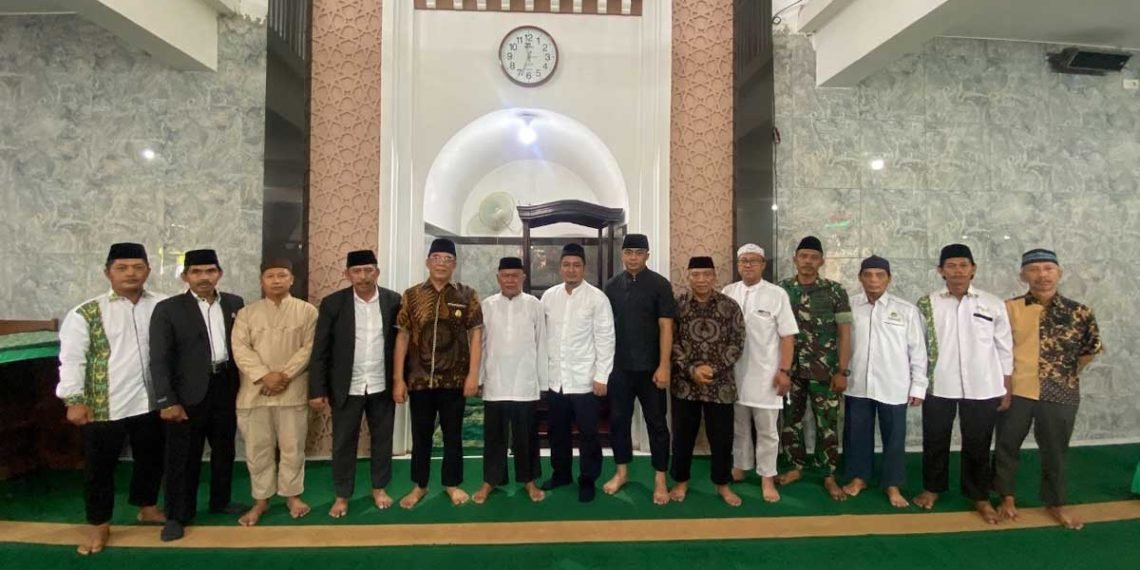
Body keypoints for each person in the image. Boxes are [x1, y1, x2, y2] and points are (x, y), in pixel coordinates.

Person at [57, 243, 167, 554]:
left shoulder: (162, 305)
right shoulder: (86, 313)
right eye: (122, 267)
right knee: (99, 468)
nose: (131, 273)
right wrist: (73, 399)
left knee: (151, 459)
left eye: (137, 267)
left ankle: (147, 508)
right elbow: (72, 358)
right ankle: (98, 525)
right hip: (105, 404)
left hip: (150, 402)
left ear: (148, 270)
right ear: (108, 272)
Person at [994, 249, 1102, 529]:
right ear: (1023, 275)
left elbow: (1090, 350)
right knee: (1007, 445)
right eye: (1034, 269)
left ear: (1059, 273)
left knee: (1055, 449)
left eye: (1048, 268)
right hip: (1017, 390)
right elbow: (996, 348)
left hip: (1061, 391)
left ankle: (1056, 502)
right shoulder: (1008, 309)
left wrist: (1064, 374)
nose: (1042, 275)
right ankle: (1006, 497)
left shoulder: (1079, 312)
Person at [913, 244, 1013, 524]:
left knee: (978, 443)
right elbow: (918, 348)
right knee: (934, 440)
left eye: (963, 265)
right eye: (951, 266)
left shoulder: (992, 303)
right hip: (939, 385)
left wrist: (1007, 385)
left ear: (973, 269)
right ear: (940, 271)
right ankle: (932, 488)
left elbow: (1005, 347)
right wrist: (918, 385)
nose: (957, 271)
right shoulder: (927, 304)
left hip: (984, 386)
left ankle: (979, 496)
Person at [151, 249, 246, 541]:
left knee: (224, 449)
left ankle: (221, 500)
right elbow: (159, 358)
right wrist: (167, 400)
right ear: (185, 276)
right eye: (196, 272)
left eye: (210, 271)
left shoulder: (234, 303)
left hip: (225, 387)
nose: (204, 277)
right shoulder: (168, 309)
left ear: (219, 273)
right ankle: (177, 515)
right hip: (187, 393)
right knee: (182, 457)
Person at [309, 249, 402, 517]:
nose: (363, 276)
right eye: (357, 271)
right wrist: (318, 389)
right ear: (347, 274)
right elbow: (321, 350)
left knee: (383, 440)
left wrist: (400, 381)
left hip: (381, 384)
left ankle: (379, 488)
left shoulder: (393, 301)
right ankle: (342, 495)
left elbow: (401, 346)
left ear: (377, 272)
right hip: (346, 386)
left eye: (368, 270)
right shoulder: (333, 304)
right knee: (343, 443)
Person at [393, 238, 483, 508]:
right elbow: (402, 338)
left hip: (455, 380)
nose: (441, 263)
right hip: (419, 380)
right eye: (437, 258)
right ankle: (419, 485)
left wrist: (473, 375)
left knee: (453, 435)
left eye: (447, 259)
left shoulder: (467, 295)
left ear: (454, 264)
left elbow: (476, 337)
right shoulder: (412, 295)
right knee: (420, 436)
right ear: (428, 262)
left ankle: (452, 484)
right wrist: (398, 379)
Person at [230, 258, 318, 525]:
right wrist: (264, 376)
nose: (277, 280)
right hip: (254, 393)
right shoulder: (247, 313)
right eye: (271, 276)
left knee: (293, 447)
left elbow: (308, 348)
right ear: (262, 281)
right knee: (258, 450)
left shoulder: (307, 312)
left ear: (291, 279)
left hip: (292, 391)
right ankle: (260, 501)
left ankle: (292, 496)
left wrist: (284, 376)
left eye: (282, 275)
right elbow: (240, 349)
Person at [841, 255, 927, 508]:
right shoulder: (850, 307)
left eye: (879, 275)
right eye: (868, 275)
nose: (873, 280)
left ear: (888, 278)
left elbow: (918, 351)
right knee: (856, 434)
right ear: (860, 278)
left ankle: (892, 485)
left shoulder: (906, 310)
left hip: (894, 385)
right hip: (857, 384)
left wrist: (918, 386)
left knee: (894, 437)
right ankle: (858, 478)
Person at [601, 234, 676, 504]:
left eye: (639, 252)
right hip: (619, 369)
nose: (633, 257)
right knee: (619, 422)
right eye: (629, 252)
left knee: (657, 424)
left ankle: (659, 477)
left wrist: (664, 365)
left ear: (647, 255)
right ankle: (621, 471)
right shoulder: (610, 286)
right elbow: (603, 329)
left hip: (652, 369)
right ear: (622, 254)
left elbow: (667, 327)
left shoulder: (660, 285)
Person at [777, 236, 852, 501]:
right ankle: (796, 466)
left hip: (826, 371)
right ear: (795, 258)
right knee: (790, 421)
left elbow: (844, 333)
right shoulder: (781, 290)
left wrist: (842, 371)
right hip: (791, 370)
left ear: (821, 261)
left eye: (813, 256)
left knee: (827, 424)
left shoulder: (835, 291)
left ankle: (828, 474)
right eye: (803, 256)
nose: (808, 261)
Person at [722, 244, 798, 503]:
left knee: (767, 430)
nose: (748, 265)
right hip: (734, 374)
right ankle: (740, 467)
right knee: (739, 425)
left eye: (754, 261)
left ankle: (767, 477)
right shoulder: (728, 292)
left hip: (767, 374)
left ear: (763, 264)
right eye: (743, 261)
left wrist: (784, 371)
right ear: (738, 264)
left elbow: (787, 336)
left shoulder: (777, 294)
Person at [540, 243, 615, 503]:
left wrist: (602, 376)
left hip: (585, 380)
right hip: (556, 381)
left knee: (588, 434)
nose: (571, 269)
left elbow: (606, 338)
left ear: (584, 268)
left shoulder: (597, 298)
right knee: (556, 431)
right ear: (560, 267)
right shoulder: (549, 297)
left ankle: (587, 479)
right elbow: (542, 338)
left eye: (577, 265)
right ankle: (561, 474)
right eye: (567, 264)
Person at [669, 256, 745, 507]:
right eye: (695, 274)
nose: (701, 280)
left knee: (722, 438)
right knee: (682, 437)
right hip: (685, 384)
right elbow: (672, 341)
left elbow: (737, 342)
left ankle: (722, 485)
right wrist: (691, 368)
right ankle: (681, 482)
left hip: (720, 384)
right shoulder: (678, 305)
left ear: (714, 276)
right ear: (688, 276)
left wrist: (711, 368)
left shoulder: (729, 306)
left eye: (706, 274)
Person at [472, 257, 547, 504]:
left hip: (525, 382)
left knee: (526, 436)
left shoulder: (534, 305)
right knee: (494, 436)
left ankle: (529, 480)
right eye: (506, 275)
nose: (511, 280)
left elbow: (542, 343)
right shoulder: (487, 305)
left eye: (516, 275)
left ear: (523, 278)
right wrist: (479, 377)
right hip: (495, 382)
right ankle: (490, 481)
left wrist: (541, 382)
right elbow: (480, 346)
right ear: (498, 278)